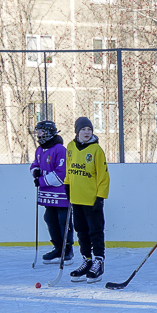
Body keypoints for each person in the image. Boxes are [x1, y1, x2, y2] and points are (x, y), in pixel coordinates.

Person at [64, 116, 110, 283]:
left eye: (89, 129)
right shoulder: (70, 147)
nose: (86, 132)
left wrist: (100, 196)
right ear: (77, 131)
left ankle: (98, 261)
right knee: (81, 231)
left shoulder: (96, 150)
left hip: (92, 200)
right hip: (77, 198)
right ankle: (87, 260)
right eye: (83, 129)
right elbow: (69, 169)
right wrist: (67, 186)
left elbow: (103, 176)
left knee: (95, 231)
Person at [30, 120, 71, 265]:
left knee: (63, 220)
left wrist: (41, 181)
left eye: (41, 132)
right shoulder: (40, 150)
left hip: (61, 193)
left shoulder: (60, 150)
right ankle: (58, 248)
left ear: (48, 133)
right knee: (49, 218)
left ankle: (67, 250)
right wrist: (35, 171)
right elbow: (35, 164)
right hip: (48, 195)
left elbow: (61, 174)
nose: (38, 135)